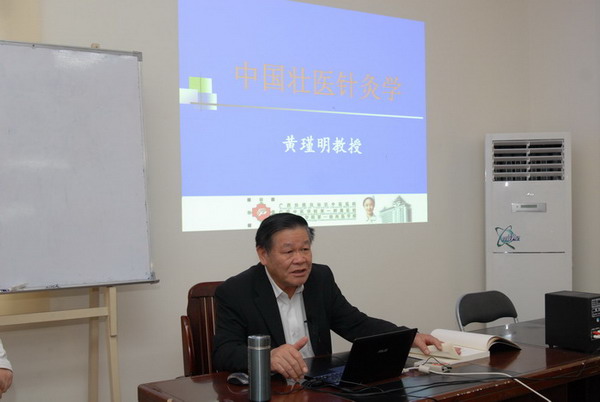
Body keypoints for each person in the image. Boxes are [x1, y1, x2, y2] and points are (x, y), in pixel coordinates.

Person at [213, 212, 442, 381]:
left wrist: (406, 336)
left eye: (305, 249)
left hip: (320, 386)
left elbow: (355, 324)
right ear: (263, 254)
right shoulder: (235, 291)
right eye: (289, 251)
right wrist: (267, 357)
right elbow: (224, 352)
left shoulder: (319, 278)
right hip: (272, 388)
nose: (300, 259)